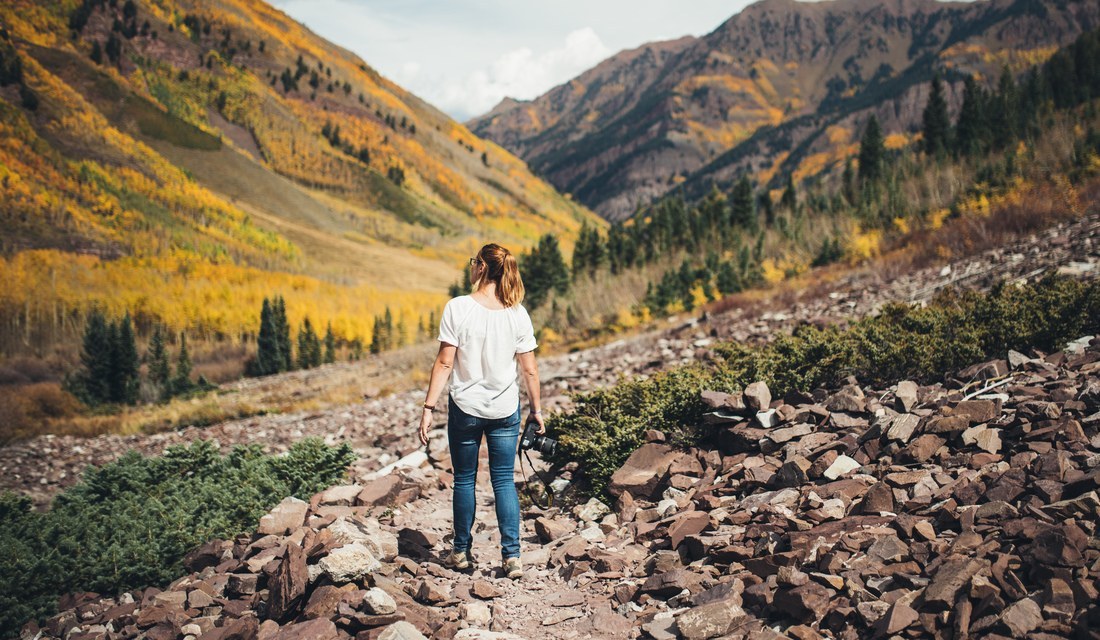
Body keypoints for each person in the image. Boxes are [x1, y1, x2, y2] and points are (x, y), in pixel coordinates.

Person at [418, 243, 544, 580]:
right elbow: (530, 370)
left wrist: (428, 408)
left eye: (474, 261)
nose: (471, 266)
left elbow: (445, 362)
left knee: (464, 479)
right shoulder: (518, 313)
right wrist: (537, 411)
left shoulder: (458, 308)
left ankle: (461, 552)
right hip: (505, 409)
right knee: (504, 480)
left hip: (465, 408)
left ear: (482, 269)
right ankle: (512, 557)